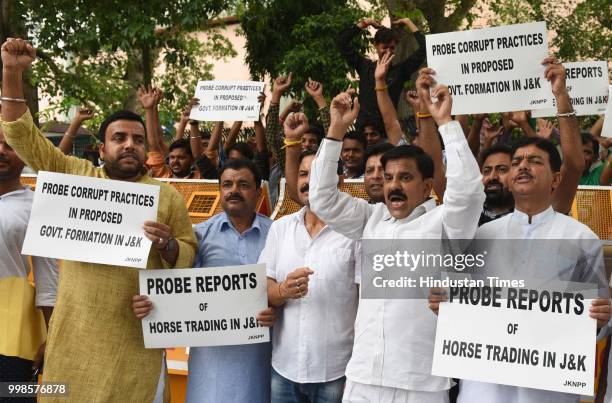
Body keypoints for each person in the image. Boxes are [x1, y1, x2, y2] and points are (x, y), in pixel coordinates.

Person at [0, 38, 197, 402]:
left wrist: (168, 245)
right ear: (102, 148)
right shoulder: (77, 176)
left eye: (138, 140)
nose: (129, 145)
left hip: (136, 339)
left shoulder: (167, 196)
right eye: (118, 138)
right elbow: (23, 137)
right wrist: (12, 72)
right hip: (76, 338)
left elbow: (187, 255)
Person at [309, 77, 484, 402]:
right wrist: (335, 130)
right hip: (362, 376)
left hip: (420, 383)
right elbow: (321, 198)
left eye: (405, 177)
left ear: (427, 185)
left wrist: (446, 123)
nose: (393, 186)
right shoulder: (371, 219)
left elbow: (470, 194)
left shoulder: (445, 223)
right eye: (388, 178)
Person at [429, 136, 611, 403]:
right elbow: (457, 307)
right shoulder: (481, 236)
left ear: (556, 179)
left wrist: (601, 318)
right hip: (483, 390)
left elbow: (597, 321)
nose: (523, 166)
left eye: (535, 161)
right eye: (516, 162)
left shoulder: (582, 239)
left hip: (547, 392)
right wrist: (443, 302)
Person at [135, 158, 276, 403]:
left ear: (258, 191)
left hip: (261, 356)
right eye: (227, 184)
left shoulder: (277, 234)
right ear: (219, 191)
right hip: (211, 362)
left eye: (243, 184)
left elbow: (284, 290)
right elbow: (177, 291)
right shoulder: (199, 235)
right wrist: (152, 306)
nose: (234, 190)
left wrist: (276, 307)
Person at [261, 113, 360, 403]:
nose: (309, 181)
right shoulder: (280, 228)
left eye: (318, 173)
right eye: (303, 174)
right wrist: (281, 291)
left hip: (336, 371)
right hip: (284, 369)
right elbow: (263, 287)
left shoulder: (356, 232)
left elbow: (368, 300)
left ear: (338, 180)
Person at [0, 128, 58, 400]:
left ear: (24, 152)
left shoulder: (38, 206)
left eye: (9, 144)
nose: (1, 150)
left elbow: (49, 279)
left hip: (11, 338)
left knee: (13, 395)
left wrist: (53, 338)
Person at [337, 17, 425, 128]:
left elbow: (425, 48)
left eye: (392, 48)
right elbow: (342, 42)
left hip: (387, 131)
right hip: (363, 130)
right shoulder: (365, 67)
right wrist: (366, 23)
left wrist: (408, 22)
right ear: (376, 45)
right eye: (384, 47)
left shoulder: (401, 71)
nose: (388, 52)